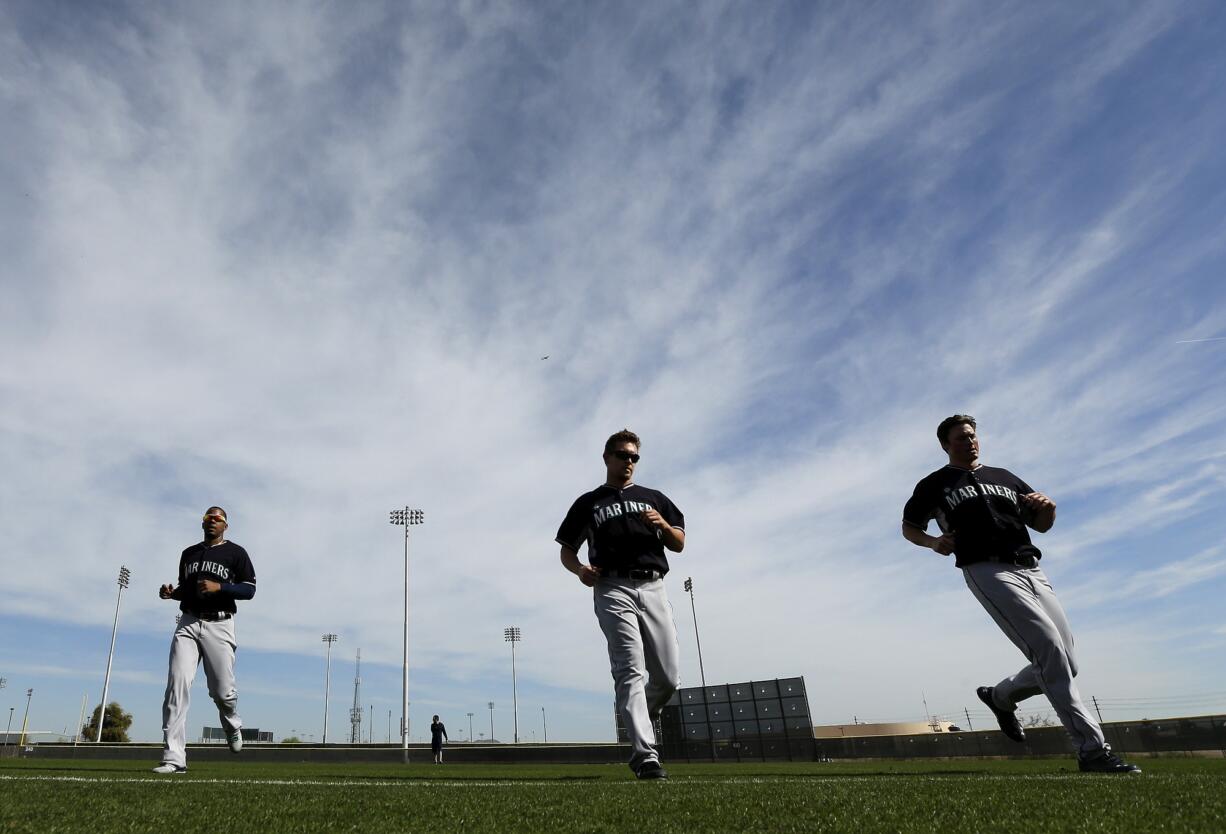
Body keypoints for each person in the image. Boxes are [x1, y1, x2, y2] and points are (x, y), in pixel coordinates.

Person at [901, 415, 1140, 774]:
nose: (970, 441)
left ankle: (1000, 696)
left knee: (1066, 663)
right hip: (987, 569)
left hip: (1031, 568)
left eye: (972, 435)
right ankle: (1092, 750)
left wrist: (1049, 509)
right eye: (961, 438)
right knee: (1049, 651)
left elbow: (1040, 525)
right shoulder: (936, 483)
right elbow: (909, 526)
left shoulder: (1005, 477)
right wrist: (933, 541)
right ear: (945, 445)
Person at [555, 429, 685, 780]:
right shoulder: (590, 502)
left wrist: (663, 526)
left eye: (634, 457)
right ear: (607, 457)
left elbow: (679, 543)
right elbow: (567, 549)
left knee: (669, 677)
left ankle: (640, 712)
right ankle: (645, 755)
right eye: (622, 455)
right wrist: (580, 570)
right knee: (629, 668)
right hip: (612, 587)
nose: (629, 462)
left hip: (653, 585)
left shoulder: (654, 498)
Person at [152, 506, 257, 774]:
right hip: (187, 623)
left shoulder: (236, 553)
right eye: (208, 518)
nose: (212, 522)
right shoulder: (189, 553)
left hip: (220, 624)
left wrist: (220, 587)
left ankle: (231, 722)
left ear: (225, 525)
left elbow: (250, 589)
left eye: (218, 519)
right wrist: (172, 593)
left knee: (222, 692)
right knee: (176, 686)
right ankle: (174, 758)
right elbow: (187, 589)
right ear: (202, 523)